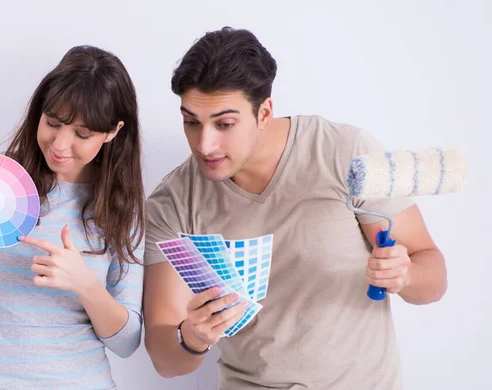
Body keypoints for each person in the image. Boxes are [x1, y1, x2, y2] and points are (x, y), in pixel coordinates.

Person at [142, 27, 447, 389]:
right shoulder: (173, 202)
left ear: (264, 112)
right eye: (191, 122)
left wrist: (406, 276)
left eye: (224, 124)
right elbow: (164, 360)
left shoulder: (342, 153)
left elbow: (433, 276)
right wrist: (192, 337)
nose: (205, 144)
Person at [0, 45, 145, 389]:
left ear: (113, 131)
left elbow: (127, 342)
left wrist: (84, 284)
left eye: (82, 134)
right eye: (52, 122)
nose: (60, 145)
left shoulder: (122, 209)